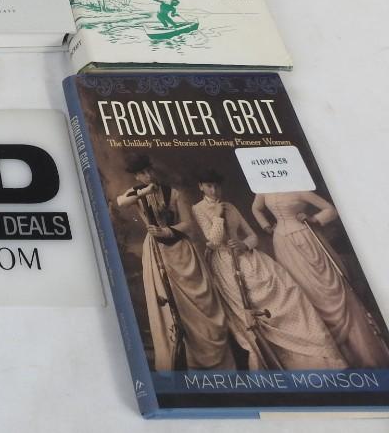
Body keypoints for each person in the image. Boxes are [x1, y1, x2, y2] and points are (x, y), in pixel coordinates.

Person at [192, 170, 345, 370]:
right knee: (253, 311)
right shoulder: (198, 209)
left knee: (289, 291)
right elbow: (213, 240)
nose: (214, 190)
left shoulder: (231, 206)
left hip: (248, 257)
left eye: (217, 186)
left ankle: (315, 358)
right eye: (209, 186)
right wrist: (218, 216)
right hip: (225, 264)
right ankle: (277, 361)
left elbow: (252, 236)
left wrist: (244, 245)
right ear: (201, 187)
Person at [115, 154, 235, 371]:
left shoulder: (173, 193)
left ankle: (210, 354)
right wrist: (144, 192)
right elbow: (121, 202)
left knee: (201, 299)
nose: (147, 175)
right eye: (142, 173)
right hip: (157, 250)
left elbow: (188, 224)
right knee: (170, 302)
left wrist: (168, 230)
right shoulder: (136, 193)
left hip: (181, 249)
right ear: (137, 176)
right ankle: (181, 357)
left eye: (149, 170)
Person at [252, 190, 389, 367]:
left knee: (328, 290)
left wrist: (314, 219)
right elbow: (256, 208)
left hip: (306, 237)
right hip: (283, 244)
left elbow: (330, 209)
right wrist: (266, 226)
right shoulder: (263, 190)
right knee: (304, 290)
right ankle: (334, 360)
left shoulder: (299, 188)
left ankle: (361, 354)